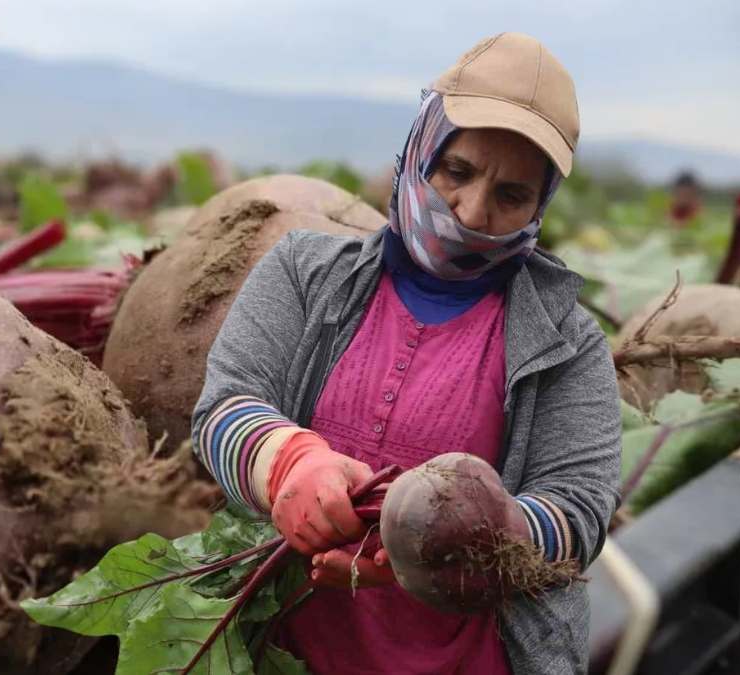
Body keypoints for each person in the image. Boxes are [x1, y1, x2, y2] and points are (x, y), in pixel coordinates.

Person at [191, 32, 622, 675]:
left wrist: (456, 542)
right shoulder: (303, 272)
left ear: (542, 203)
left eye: (511, 196)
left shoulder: (571, 345)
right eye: (458, 172)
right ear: (422, 149)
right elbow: (223, 407)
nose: (472, 212)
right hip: (281, 649)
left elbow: (579, 514)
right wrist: (286, 463)